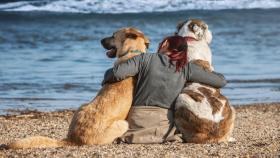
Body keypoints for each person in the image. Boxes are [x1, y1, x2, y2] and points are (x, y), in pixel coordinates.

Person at [102, 35, 227, 144]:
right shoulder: (186, 68)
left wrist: (106, 77)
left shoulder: (145, 59)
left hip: (136, 124)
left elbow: (116, 74)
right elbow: (221, 81)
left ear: (166, 44)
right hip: (163, 129)